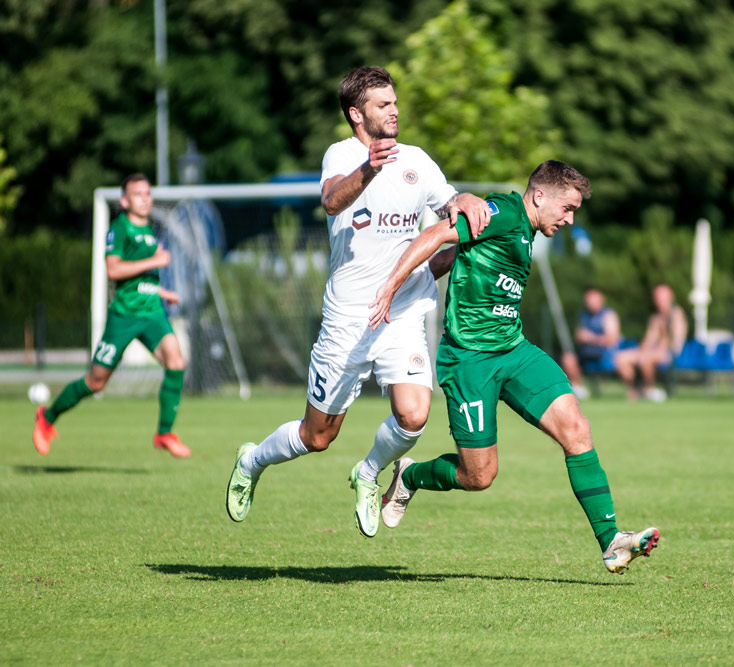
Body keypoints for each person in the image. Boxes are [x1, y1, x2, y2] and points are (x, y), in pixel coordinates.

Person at [225, 66, 490, 538]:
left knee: (414, 414)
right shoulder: (342, 155)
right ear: (356, 113)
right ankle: (252, 460)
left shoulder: (417, 161)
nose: (394, 110)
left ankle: (368, 474)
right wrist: (369, 168)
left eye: (394, 102)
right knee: (318, 436)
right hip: (349, 318)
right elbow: (331, 201)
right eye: (383, 104)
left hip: (404, 312)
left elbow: (450, 207)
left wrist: (465, 201)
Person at [369, 160, 659, 574]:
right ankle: (410, 477)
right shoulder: (503, 214)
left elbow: (459, 251)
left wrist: (435, 272)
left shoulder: (523, 229)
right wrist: (390, 288)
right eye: (568, 207)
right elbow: (436, 234)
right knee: (479, 475)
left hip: (514, 350)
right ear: (540, 195)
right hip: (470, 361)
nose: (570, 219)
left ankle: (611, 540)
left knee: (576, 428)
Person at [32, 173, 190, 457]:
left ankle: (164, 433)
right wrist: (155, 260)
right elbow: (114, 271)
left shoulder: (150, 229)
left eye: (147, 193)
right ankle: (47, 417)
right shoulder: (120, 228)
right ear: (125, 200)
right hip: (125, 317)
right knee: (96, 381)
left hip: (152, 312)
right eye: (138, 194)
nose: (145, 198)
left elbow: (142, 280)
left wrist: (163, 293)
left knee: (176, 362)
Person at [614, 283, 688, 401]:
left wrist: (653, 350)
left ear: (670, 297)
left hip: (669, 353)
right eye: (657, 297)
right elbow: (649, 340)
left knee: (645, 359)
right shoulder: (655, 318)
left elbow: (675, 342)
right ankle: (635, 389)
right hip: (653, 351)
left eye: (662, 297)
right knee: (621, 357)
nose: (659, 300)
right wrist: (642, 349)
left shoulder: (677, 314)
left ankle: (649, 389)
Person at [561, 287, 622, 399]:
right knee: (568, 358)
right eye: (588, 299)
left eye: (594, 299)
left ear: (601, 299)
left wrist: (591, 338)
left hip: (604, 354)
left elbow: (612, 339)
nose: (590, 302)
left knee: (624, 360)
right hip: (586, 353)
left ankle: (636, 390)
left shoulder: (608, 315)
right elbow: (578, 336)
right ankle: (579, 388)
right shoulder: (584, 315)